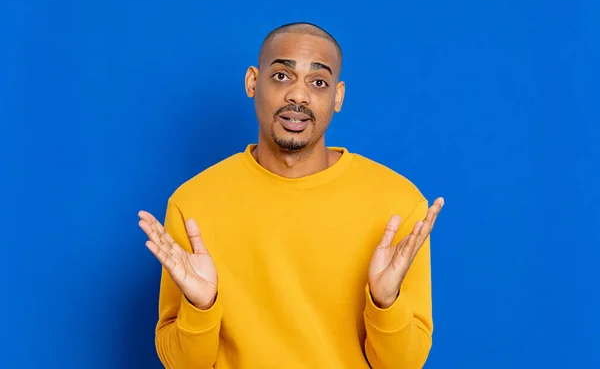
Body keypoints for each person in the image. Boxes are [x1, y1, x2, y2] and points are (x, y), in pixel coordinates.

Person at [138, 22, 444, 369]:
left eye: (318, 83)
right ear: (253, 81)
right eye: (282, 76)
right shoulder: (192, 204)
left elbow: (404, 365)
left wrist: (385, 301)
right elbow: (180, 364)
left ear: (337, 96)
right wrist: (201, 308)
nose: (298, 96)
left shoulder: (398, 205)